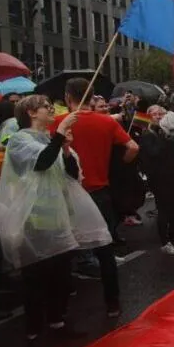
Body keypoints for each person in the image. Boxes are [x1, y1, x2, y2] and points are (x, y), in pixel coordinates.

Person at [1, 95, 112, 347]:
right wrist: (59, 136)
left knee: (61, 277)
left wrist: (64, 148)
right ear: (30, 112)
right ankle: (33, 331)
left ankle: (57, 321)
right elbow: (40, 163)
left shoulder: (51, 139)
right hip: (34, 221)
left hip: (59, 218)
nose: (52, 110)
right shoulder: (20, 140)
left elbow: (72, 175)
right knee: (36, 279)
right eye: (46, 107)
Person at [52, 78, 137, 318]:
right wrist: (119, 165)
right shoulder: (105, 122)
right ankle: (112, 303)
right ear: (91, 97)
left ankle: (64, 300)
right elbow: (133, 148)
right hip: (99, 192)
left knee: (63, 250)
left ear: (68, 97)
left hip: (66, 193)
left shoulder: (58, 123)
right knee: (104, 249)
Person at [140, 105, 174, 255]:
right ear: (148, 116)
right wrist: (165, 138)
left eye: (161, 114)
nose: (158, 117)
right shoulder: (148, 135)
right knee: (164, 210)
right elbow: (154, 153)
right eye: (155, 114)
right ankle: (165, 242)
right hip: (160, 178)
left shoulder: (170, 132)